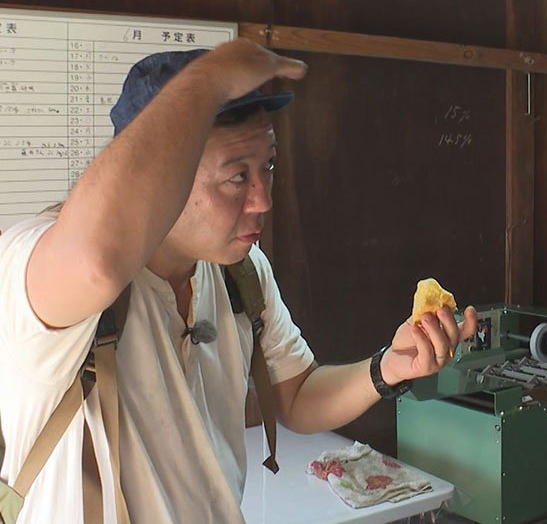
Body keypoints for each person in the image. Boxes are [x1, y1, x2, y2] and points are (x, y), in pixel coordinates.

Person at [0, 39, 477, 523]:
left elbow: (295, 395)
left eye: (266, 166)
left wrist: (386, 369)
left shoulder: (238, 271)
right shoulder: (36, 261)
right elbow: (93, 265)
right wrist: (207, 81)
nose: (262, 200)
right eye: (236, 176)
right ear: (166, 177)